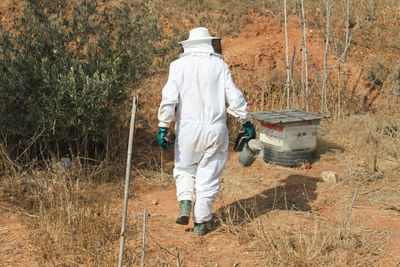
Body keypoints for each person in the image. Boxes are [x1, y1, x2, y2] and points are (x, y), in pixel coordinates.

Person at [157, 27, 255, 237]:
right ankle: (201, 223)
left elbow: (169, 98)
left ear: (189, 45)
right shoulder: (219, 65)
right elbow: (234, 97)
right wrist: (246, 121)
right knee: (209, 174)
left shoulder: (177, 66)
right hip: (215, 128)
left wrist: (163, 126)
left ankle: (185, 203)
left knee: (184, 168)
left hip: (187, 129)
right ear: (209, 43)